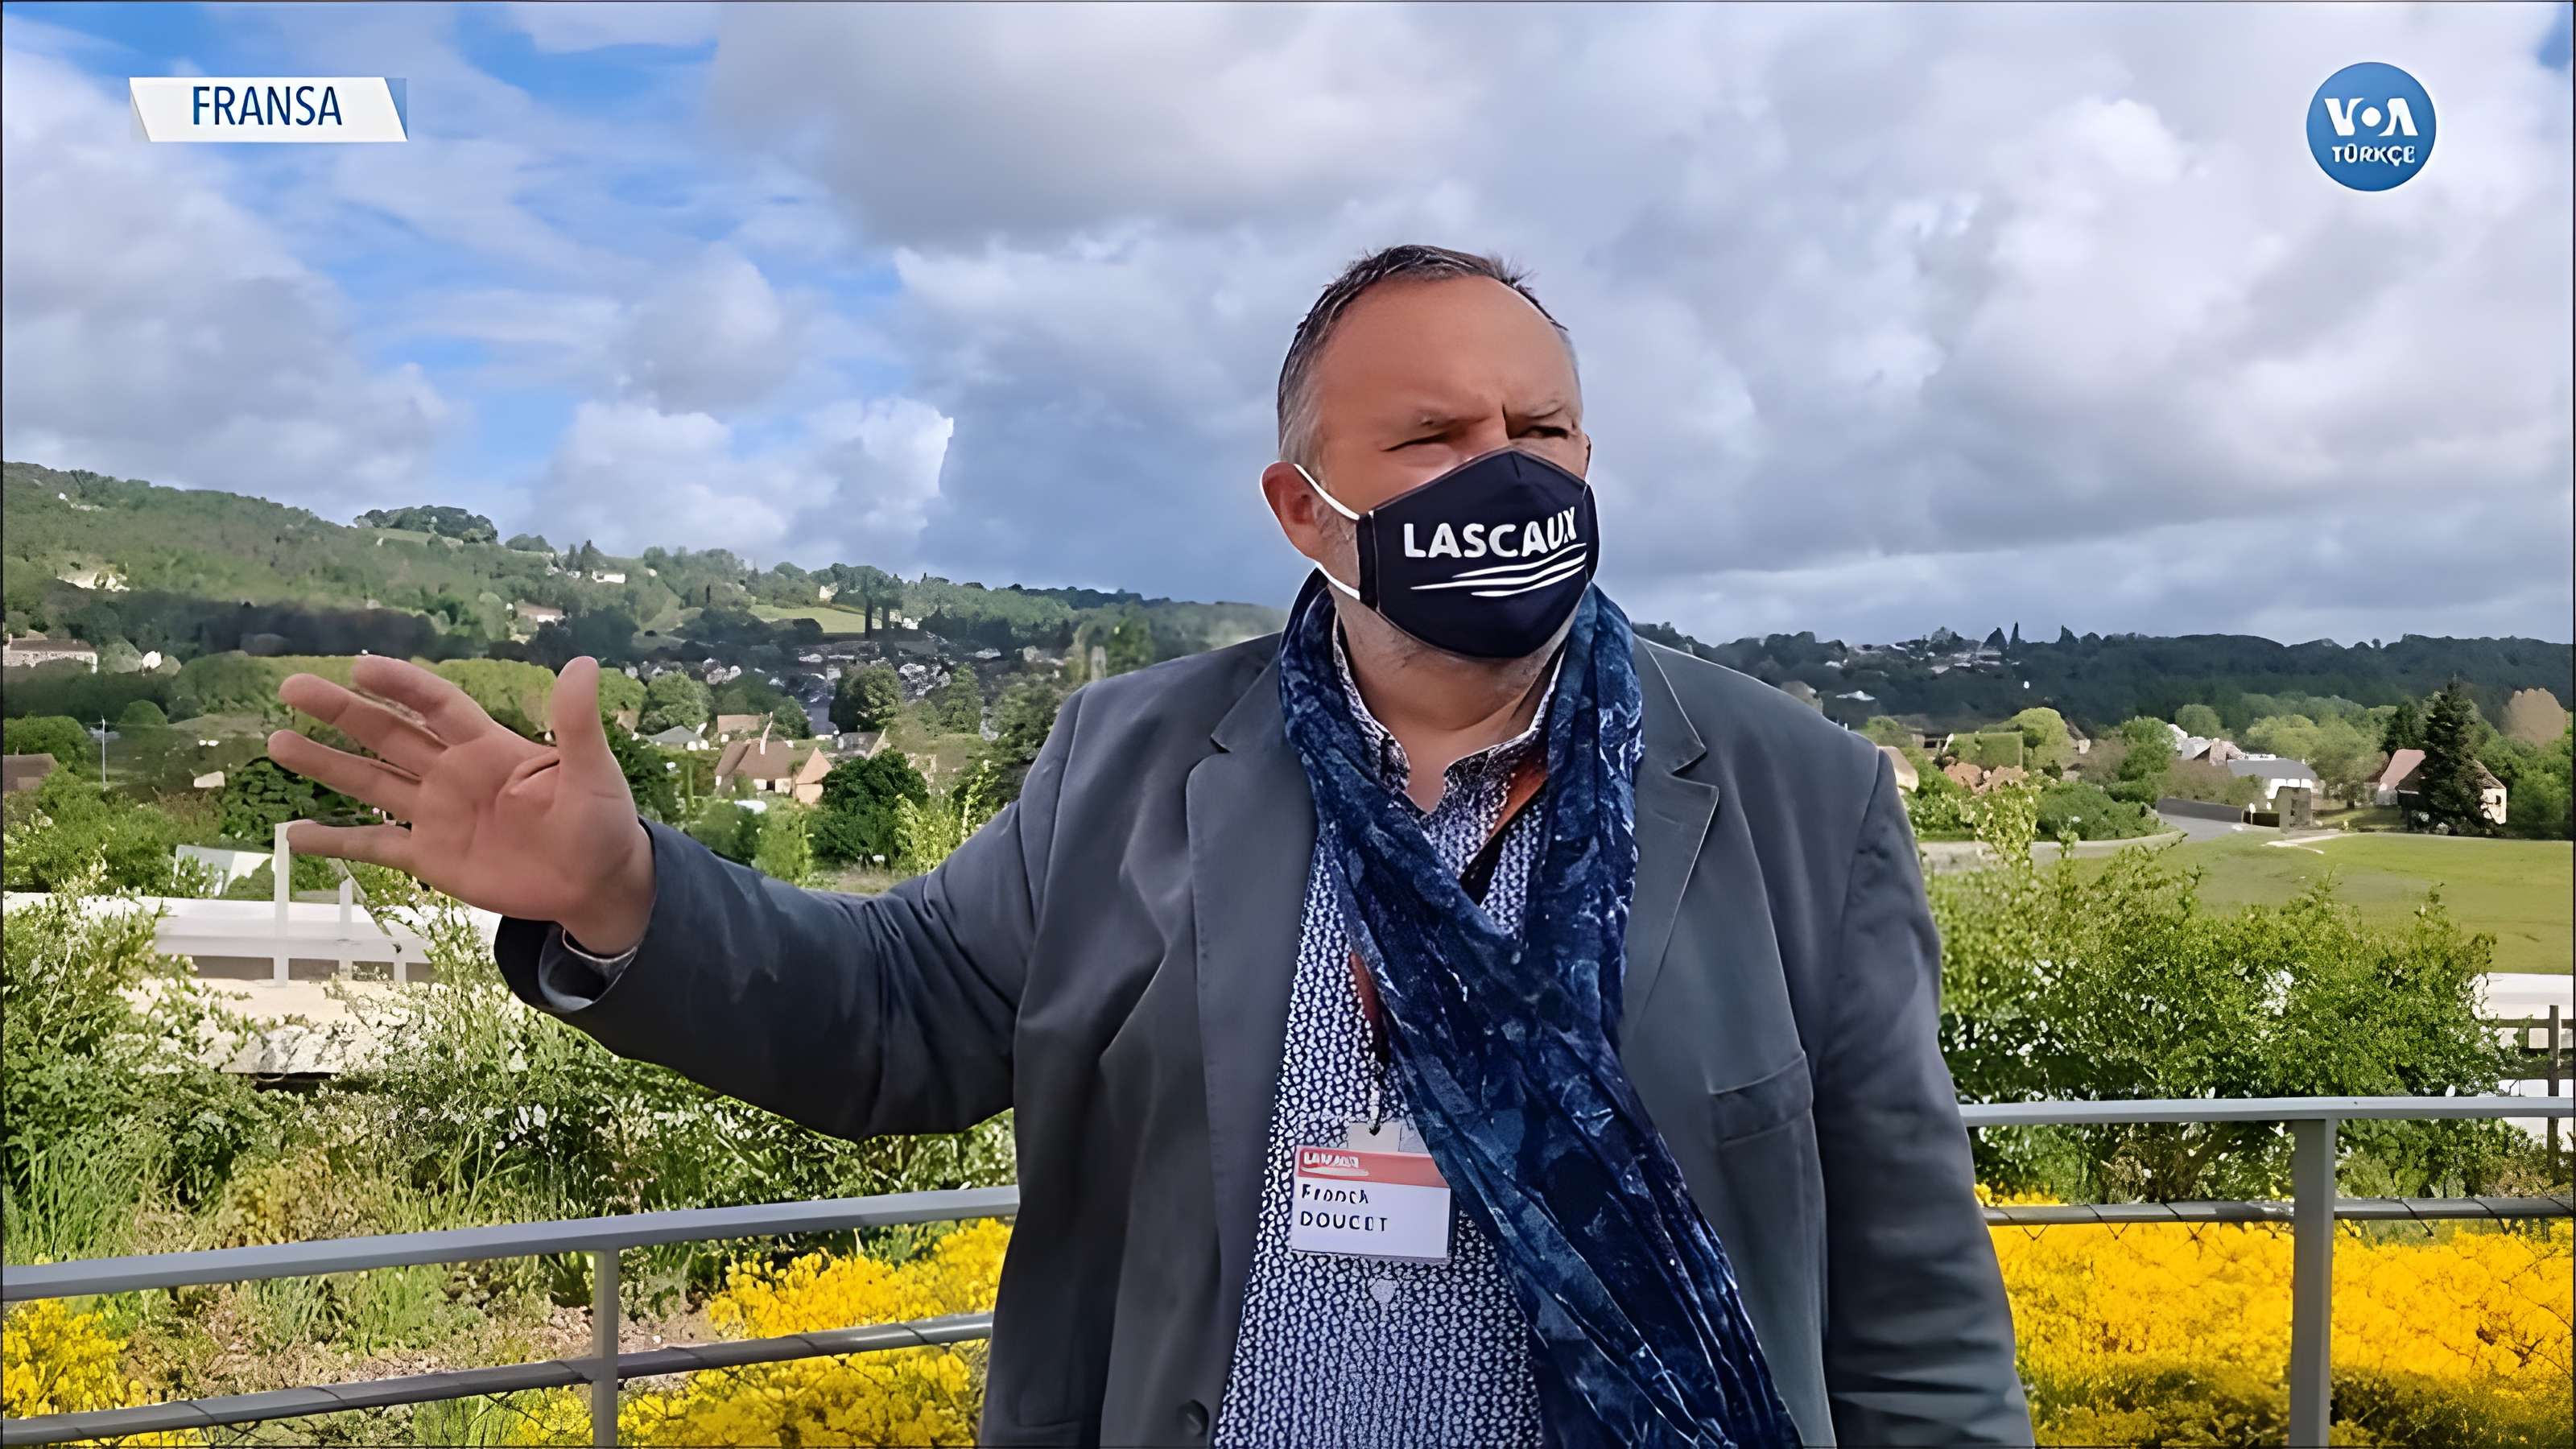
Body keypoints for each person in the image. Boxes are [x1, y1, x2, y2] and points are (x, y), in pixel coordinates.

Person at [271, 245, 2031, 1447]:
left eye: (1539, 431)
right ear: (1300, 507)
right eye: (1430, 437)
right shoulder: (1135, 761)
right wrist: (622, 893)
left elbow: (1908, 1292)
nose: (1501, 473)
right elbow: (896, 1014)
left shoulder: (1797, 799)